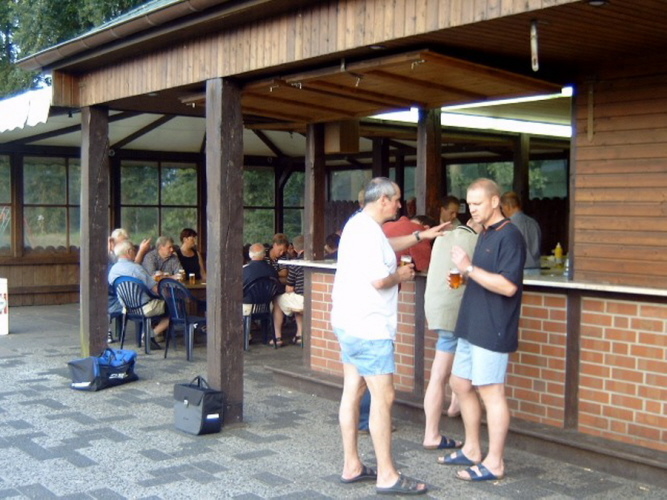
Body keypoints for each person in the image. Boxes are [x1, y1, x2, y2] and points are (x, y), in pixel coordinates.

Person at [332, 177, 448, 496]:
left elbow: (386, 246)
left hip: (349, 322)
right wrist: (402, 274)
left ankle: (352, 466)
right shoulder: (367, 231)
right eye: (397, 199)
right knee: (383, 399)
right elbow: (380, 281)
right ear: (383, 199)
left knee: (353, 392)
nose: (400, 204)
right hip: (369, 327)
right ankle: (387, 475)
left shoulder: (361, 225)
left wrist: (421, 235)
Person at [442, 178, 526, 482]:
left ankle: (495, 462)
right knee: (460, 383)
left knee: (491, 392)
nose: (472, 209)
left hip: (494, 326)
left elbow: (507, 286)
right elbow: (484, 276)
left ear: (494, 201)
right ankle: (473, 448)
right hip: (471, 323)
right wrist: (466, 276)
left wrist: (468, 267)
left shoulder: (511, 236)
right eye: (469, 204)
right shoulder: (486, 233)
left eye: (477, 203)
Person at [422, 218, 481, 450]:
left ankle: (454, 406)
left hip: (436, 308)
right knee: (443, 373)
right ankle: (432, 433)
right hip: (457, 310)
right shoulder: (475, 240)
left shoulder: (442, 238)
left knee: (445, 368)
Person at [108, 240, 169, 348]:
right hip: (145, 308)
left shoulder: (113, 270)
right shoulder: (136, 269)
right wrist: (168, 295)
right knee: (174, 309)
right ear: (129, 251)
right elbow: (156, 289)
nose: (135, 252)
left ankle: (148, 332)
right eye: (134, 250)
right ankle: (150, 334)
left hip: (126, 308)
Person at [500, 191, 542, 275]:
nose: (502, 211)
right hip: (536, 268)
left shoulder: (508, 225)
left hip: (518, 269)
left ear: (507, 206)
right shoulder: (533, 222)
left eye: (502, 207)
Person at [274, 235, 305, 346]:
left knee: (277, 300)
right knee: (295, 302)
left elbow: (289, 288)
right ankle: (299, 334)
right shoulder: (317, 260)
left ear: (295, 249)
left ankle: (277, 337)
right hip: (316, 299)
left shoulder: (295, 263)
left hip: (302, 301)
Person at [243, 242, 279, 313]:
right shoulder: (272, 270)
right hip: (267, 306)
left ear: (250, 255)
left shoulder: (244, 270)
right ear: (264, 254)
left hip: (247, 307)